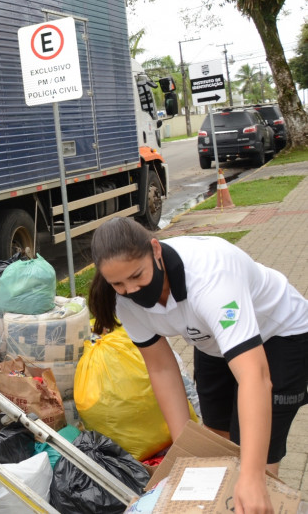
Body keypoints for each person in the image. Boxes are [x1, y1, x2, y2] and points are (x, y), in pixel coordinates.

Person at [88, 217, 308, 514]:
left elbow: (255, 377)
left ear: (155, 250)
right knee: (213, 441)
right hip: (210, 337)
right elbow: (162, 369)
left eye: (137, 275)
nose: (132, 289)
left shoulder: (211, 276)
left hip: (280, 333)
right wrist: (183, 458)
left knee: (255, 458)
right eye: (119, 284)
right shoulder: (125, 301)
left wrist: (253, 477)